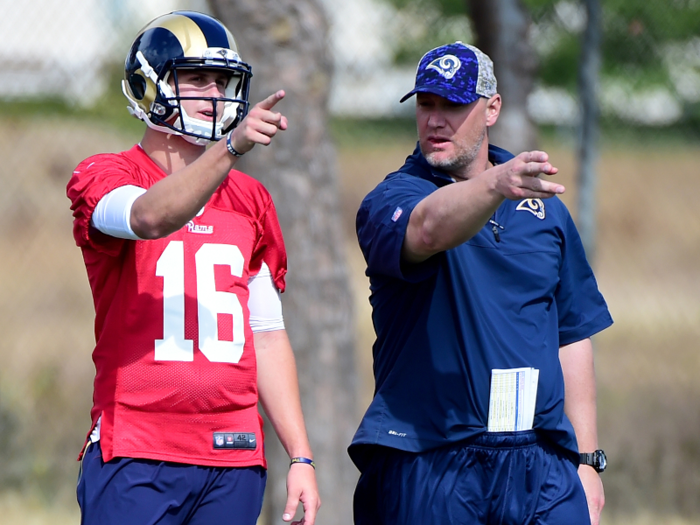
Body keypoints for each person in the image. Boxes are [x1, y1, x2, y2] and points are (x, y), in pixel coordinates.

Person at [66, 11, 320, 525]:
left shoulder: (250, 198)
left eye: (221, 81)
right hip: (138, 447)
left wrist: (300, 455)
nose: (214, 94)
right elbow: (149, 216)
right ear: (148, 85)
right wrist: (231, 148)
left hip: (233, 454)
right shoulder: (105, 174)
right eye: (196, 78)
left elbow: (266, 335)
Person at [349, 41, 612, 525]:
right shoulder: (394, 198)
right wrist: (494, 186)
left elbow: (571, 334)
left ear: (491, 109)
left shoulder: (545, 208)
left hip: (540, 461)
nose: (435, 120)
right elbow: (428, 229)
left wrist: (587, 461)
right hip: (433, 456)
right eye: (426, 105)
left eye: (452, 105)